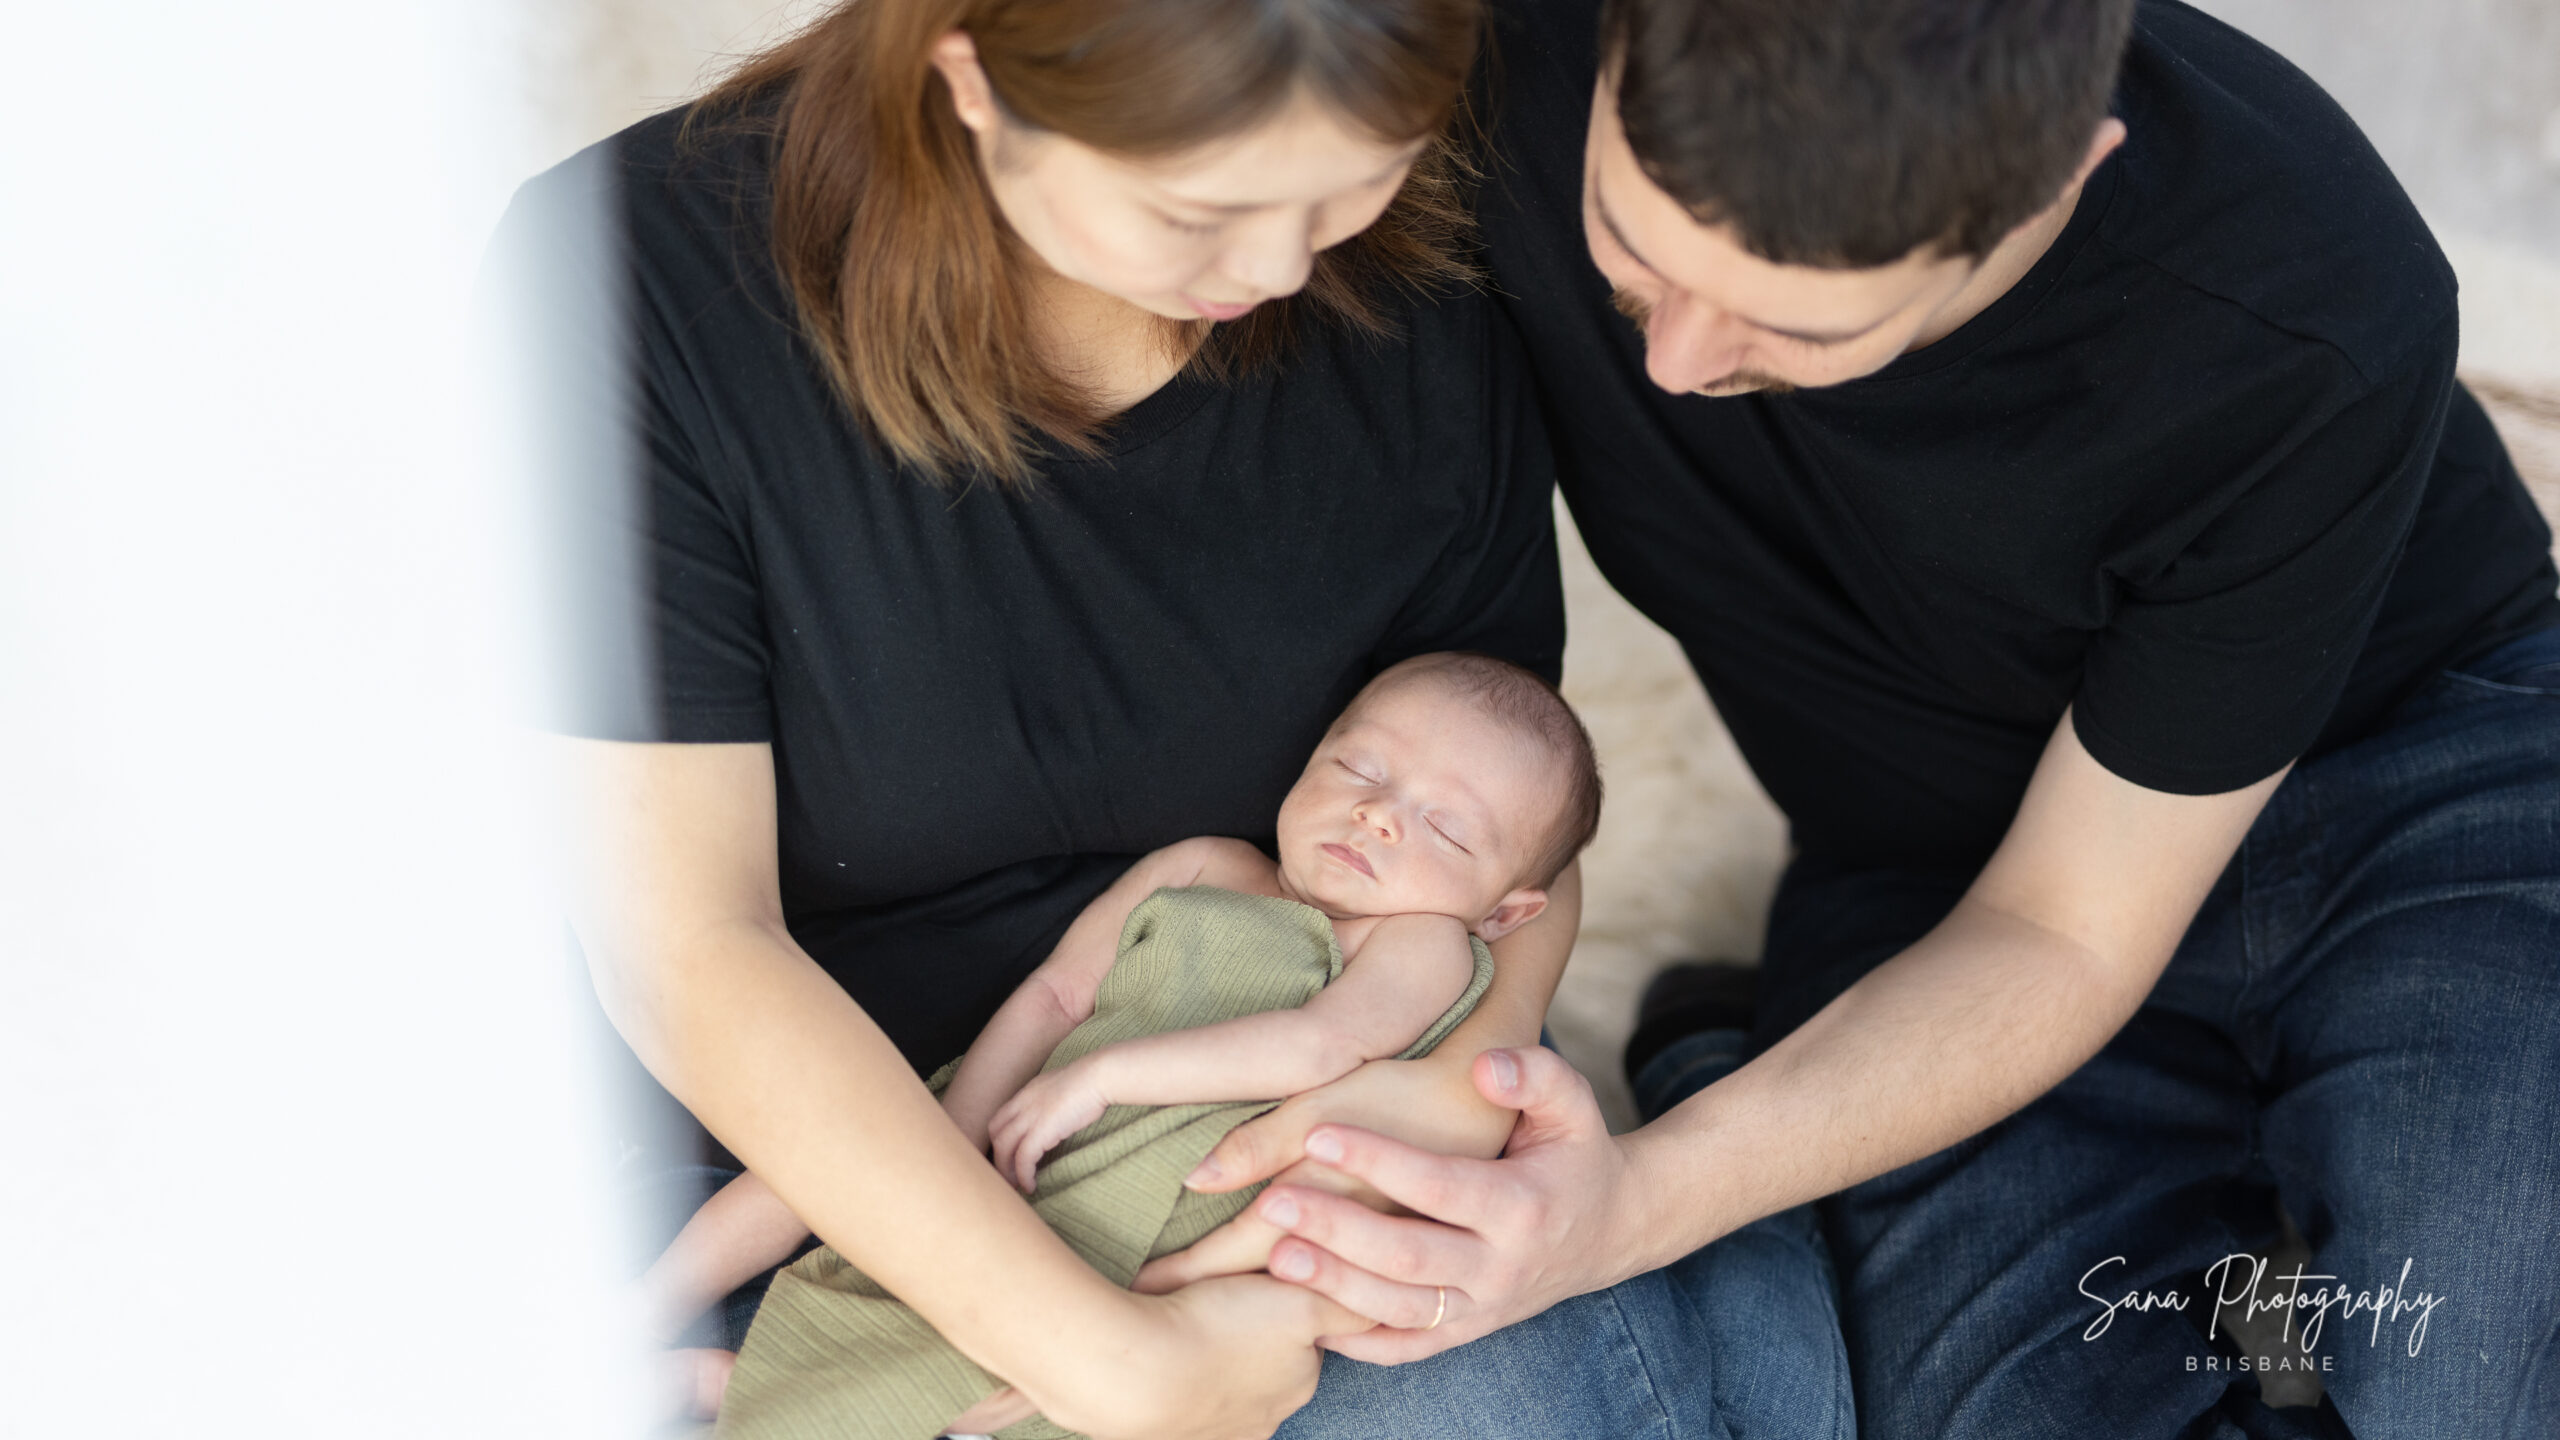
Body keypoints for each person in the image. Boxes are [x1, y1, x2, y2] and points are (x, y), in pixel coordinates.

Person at [1164, 2, 2560, 1437]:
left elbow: (2074, 927)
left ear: (2057, 182)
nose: (1678, 367)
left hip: (2413, 764)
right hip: (1935, 868)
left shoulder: (2312, 301)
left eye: (1791, 324)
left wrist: (1631, 1204)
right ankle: (1730, 1038)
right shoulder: (1511, 51)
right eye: (1633, 253)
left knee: (2479, 1388)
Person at [501, 0, 1845, 1433]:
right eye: (1200, 208)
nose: (1281, 265)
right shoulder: (633, 283)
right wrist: (1102, 1358)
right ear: (970, 73)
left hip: (1272, 1073)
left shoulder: (1417, 258)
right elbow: (687, 945)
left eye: (1349, 177)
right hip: (805, 1129)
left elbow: (1507, 818)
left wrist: (1455, 1089)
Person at [640, 654, 1599, 1434]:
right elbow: (1057, 993)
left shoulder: (1421, 941)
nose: (1378, 813)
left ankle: (744, 1394)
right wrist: (965, 1116)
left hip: (1148, 1199)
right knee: (816, 1166)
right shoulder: (1204, 865)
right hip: (1032, 1105)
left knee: (1011, 1385)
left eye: (1444, 827)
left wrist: (1107, 1077)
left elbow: (1319, 1047)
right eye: (1358, 768)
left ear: (1508, 912)